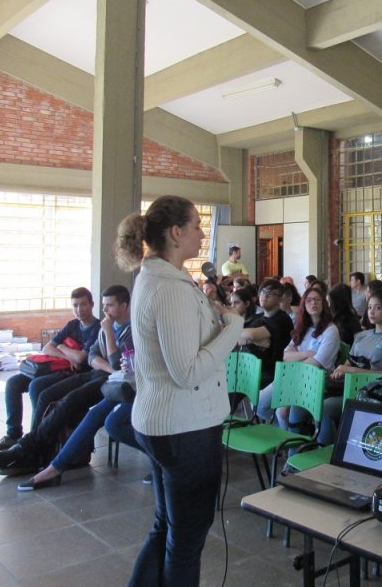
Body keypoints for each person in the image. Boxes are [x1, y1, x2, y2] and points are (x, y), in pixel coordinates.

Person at [116, 195, 244, 587]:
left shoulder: (159, 277)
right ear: (175, 233)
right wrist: (233, 328)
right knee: (186, 540)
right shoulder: (168, 287)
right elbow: (187, 371)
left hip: (167, 421)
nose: (202, 234)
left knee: (167, 526)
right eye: (196, 226)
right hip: (182, 427)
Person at [0, 285, 133, 478]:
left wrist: (109, 340)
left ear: (124, 306)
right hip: (99, 373)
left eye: (109, 305)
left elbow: (117, 363)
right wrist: (109, 367)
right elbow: (93, 354)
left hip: (111, 384)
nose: (105, 311)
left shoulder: (129, 330)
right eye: (104, 305)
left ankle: (31, 450)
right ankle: (32, 445)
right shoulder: (103, 327)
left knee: (69, 401)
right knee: (46, 394)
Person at [0, 288, 100, 454]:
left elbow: (82, 358)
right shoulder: (72, 325)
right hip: (59, 366)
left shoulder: (97, 328)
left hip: (77, 373)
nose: (79, 310)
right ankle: (13, 433)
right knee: (13, 383)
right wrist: (67, 354)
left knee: (37, 386)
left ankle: (34, 438)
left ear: (91, 305)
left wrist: (61, 347)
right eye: (75, 305)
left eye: (83, 305)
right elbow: (47, 347)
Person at [318, 290, 382, 445]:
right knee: (314, 395)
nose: (372, 312)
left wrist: (351, 370)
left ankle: (326, 450)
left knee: (326, 406)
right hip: (345, 386)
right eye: (370, 307)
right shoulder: (361, 336)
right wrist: (340, 371)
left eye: (378, 308)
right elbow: (348, 364)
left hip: (372, 393)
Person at [257, 286, 340, 433]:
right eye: (309, 300)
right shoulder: (303, 328)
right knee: (259, 405)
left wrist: (296, 361)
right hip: (292, 376)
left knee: (281, 412)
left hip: (315, 380)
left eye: (317, 300)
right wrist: (307, 353)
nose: (313, 303)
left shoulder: (330, 330)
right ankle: (285, 438)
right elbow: (285, 356)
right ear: (304, 305)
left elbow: (316, 363)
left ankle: (289, 443)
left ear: (324, 303)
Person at [237, 279, 295, 388]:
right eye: (263, 292)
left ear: (280, 298)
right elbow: (238, 339)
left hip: (272, 374)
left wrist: (248, 338)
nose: (265, 296)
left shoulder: (283, 319)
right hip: (250, 369)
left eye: (271, 293)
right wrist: (248, 338)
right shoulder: (257, 317)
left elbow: (252, 335)